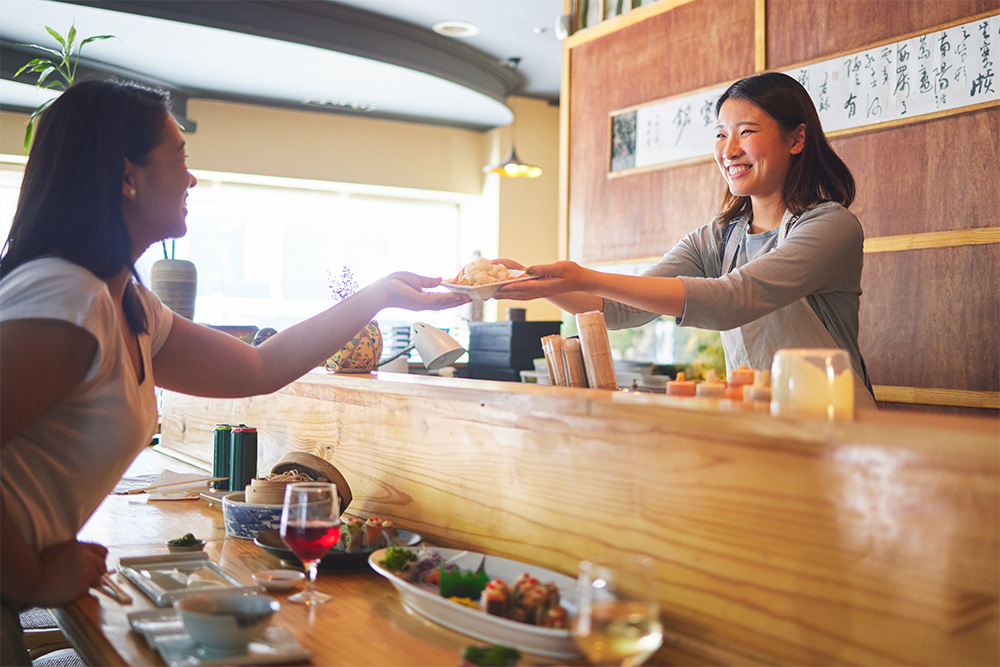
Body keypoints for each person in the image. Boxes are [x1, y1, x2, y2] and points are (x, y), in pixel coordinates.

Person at [0, 79, 469, 664]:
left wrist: (378, 296)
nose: (192, 179)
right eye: (181, 159)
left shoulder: (127, 305)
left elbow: (259, 366)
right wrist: (33, 577)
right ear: (128, 177)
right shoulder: (67, 297)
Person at [497, 71, 876, 408]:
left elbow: (734, 300)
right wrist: (527, 281)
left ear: (796, 140)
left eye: (746, 132)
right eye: (721, 135)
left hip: (836, 427)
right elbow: (616, 309)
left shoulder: (831, 226)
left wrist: (586, 276)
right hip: (761, 427)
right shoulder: (718, 238)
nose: (729, 151)